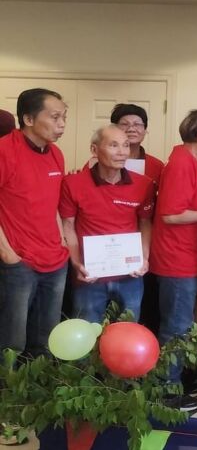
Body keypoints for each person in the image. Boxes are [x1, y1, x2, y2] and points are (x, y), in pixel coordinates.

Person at [149, 109, 197, 411]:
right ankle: (167, 392)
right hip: (176, 259)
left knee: (181, 326)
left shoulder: (195, 163)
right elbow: (171, 214)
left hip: (190, 257)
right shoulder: (181, 163)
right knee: (176, 327)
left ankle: (173, 384)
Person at [0, 88, 70, 358]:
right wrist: (8, 254)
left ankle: (39, 392)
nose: (61, 124)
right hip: (19, 262)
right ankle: (9, 395)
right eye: (54, 117)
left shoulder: (56, 154)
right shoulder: (5, 151)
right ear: (28, 119)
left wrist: (62, 242)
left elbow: (51, 203)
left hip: (54, 259)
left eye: (64, 117)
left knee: (47, 337)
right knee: (12, 340)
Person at [60, 125, 155, 323]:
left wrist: (144, 258)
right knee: (86, 333)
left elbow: (145, 223)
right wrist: (76, 263)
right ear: (94, 150)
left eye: (126, 145)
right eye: (113, 145)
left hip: (130, 275)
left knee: (127, 334)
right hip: (89, 275)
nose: (122, 152)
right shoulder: (73, 183)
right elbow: (68, 225)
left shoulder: (143, 184)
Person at [110, 103, 165, 185]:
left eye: (137, 124)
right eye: (125, 124)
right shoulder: (100, 162)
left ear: (145, 130)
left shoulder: (157, 166)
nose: (131, 129)